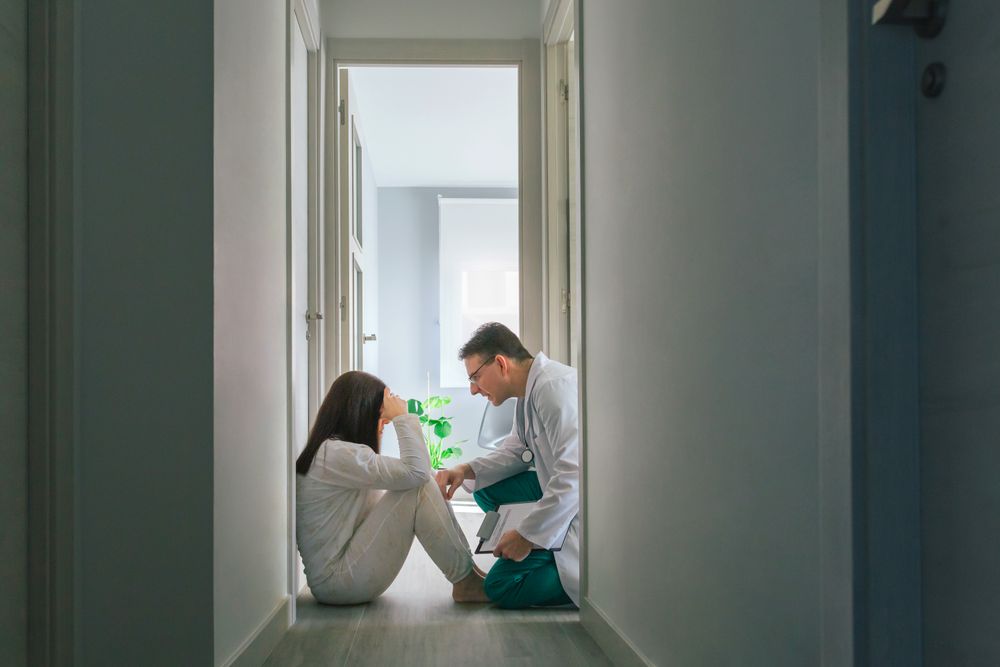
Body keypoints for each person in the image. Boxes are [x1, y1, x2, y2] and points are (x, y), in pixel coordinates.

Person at [296, 370, 489, 604]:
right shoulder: (334, 454)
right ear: (360, 415)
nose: (383, 425)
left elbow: (415, 472)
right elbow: (415, 473)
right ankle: (465, 581)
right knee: (420, 482)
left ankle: (470, 573)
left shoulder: (335, 453)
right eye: (381, 418)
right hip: (336, 582)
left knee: (424, 477)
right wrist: (402, 417)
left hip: (340, 574)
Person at [435, 323, 581, 609]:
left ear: (500, 363)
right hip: (554, 490)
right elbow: (516, 452)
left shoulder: (554, 388)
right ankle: (535, 539)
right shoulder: (528, 394)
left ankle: (575, 574)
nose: (473, 389)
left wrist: (527, 536)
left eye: (475, 377)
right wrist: (465, 469)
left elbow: (575, 476)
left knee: (499, 586)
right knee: (484, 488)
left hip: (580, 509)